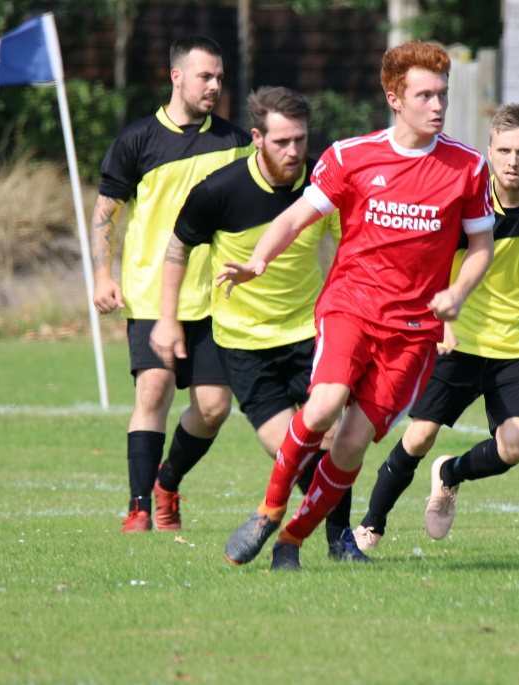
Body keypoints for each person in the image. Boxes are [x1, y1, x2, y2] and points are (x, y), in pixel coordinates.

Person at [215, 40, 495, 571]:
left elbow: (482, 247)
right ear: (394, 97)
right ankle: (268, 511)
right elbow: (296, 217)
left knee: (350, 445)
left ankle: (292, 538)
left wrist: (457, 292)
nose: (437, 105)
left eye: (442, 94)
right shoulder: (351, 156)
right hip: (351, 306)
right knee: (323, 405)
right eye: (425, 95)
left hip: (413, 331)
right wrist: (257, 261)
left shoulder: (468, 168)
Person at [350, 103, 519, 550]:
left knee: (515, 446)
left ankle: (450, 473)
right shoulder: (462, 204)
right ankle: (371, 525)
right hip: (462, 339)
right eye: (506, 150)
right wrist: (442, 321)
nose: (514, 161)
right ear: (489, 151)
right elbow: (425, 265)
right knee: (418, 436)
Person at [148, 86, 367, 562]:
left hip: (310, 334)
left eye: (300, 140)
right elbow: (177, 249)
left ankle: (339, 541)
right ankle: (168, 483)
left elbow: (345, 248)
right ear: (256, 138)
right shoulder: (219, 190)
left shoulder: (321, 186)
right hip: (245, 343)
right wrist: (167, 320)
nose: (293, 152)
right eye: (281, 142)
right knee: (290, 446)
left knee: (329, 437)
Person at [91, 36, 253, 533]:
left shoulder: (235, 142)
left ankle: (167, 481)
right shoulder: (137, 141)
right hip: (149, 295)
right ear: (177, 76)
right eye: (205, 76)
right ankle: (140, 506)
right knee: (154, 390)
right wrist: (102, 274)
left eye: (220, 77)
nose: (215, 86)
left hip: (213, 300)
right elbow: (105, 214)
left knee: (214, 407)